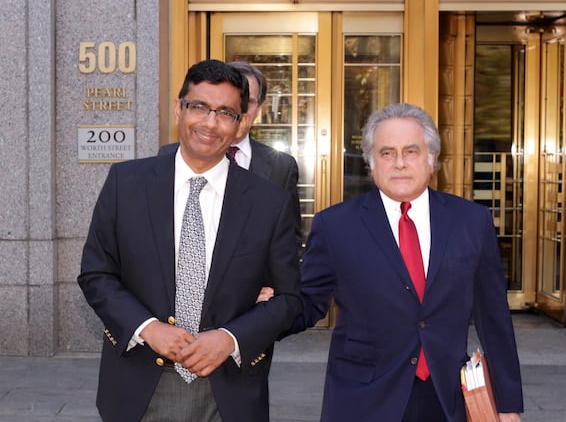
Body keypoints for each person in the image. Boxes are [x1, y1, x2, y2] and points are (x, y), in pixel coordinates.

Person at [78, 59, 303, 422]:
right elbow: (96, 275)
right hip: (139, 383)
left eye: (226, 112)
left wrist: (230, 337)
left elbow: (290, 298)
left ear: (241, 121)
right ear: (178, 109)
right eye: (199, 106)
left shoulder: (268, 202)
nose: (210, 123)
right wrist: (147, 328)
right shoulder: (126, 185)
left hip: (230, 388)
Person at [289, 103, 523, 421]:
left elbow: (493, 317)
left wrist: (508, 403)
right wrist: (270, 306)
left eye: (411, 151)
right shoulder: (335, 226)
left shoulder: (471, 221)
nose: (399, 163)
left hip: (446, 396)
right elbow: (307, 303)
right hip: (363, 398)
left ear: (432, 160)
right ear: (372, 164)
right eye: (387, 153)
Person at [159, 61, 302, 261]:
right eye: (201, 107)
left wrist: (274, 288)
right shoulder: (167, 158)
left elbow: (289, 244)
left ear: (259, 107)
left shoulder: (281, 167)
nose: (212, 121)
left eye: (248, 102)